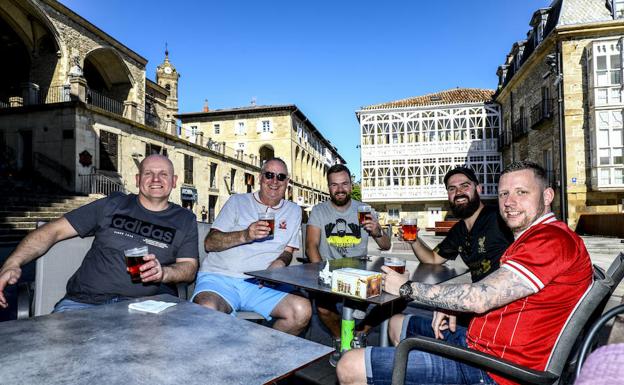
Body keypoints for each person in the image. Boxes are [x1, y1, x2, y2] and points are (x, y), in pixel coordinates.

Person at [337, 160, 593, 385]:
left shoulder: (550, 239)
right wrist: (449, 303)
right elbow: (439, 262)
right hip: (482, 342)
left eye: (521, 192)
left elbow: (479, 298)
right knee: (396, 323)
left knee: (349, 366)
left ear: (547, 196)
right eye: (504, 193)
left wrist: (406, 288)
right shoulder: (530, 236)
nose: (509, 202)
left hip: (496, 369)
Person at [0, 154, 199, 312]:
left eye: (163, 174)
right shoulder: (112, 204)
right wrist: (12, 263)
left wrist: (163, 273)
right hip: (83, 305)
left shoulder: (184, 219)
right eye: (148, 173)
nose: (156, 179)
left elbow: (188, 268)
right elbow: (53, 231)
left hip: (142, 311)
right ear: (138, 179)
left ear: (174, 181)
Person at [192, 158, 311, 335]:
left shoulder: (294, 211)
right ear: (260, 178)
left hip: (262, 284)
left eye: (280, 177)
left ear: (287, 182)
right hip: (221, 278)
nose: (274, 181)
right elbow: (210, 243)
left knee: (301, 311)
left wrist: (279, 263)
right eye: (269, 175)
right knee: (207, 310)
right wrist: (245, 235)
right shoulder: (237, 202)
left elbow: (288, 251)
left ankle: (263, 354)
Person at [306, 164, 391, 365]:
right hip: (330, 273)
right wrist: (322, 276)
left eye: (344, 183)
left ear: (351, 184)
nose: (340, 189)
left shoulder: (365, 210)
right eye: (334, 185)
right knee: (324, 308)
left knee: (397, 298)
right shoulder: (319, 211)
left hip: (360, 274)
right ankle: (340, 339)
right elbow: (311, 246)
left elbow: (386, 245)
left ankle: (360, 333)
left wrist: (377, 231)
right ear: (328, 187)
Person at [405, 166, 513, 283]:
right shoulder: (458, 231)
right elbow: (433, 258)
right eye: (452, 189)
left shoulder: (500, 217)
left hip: (510, 296)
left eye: (465, 186)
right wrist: (414, 241)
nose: (458, 192)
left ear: (478, 189)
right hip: (479, 296)